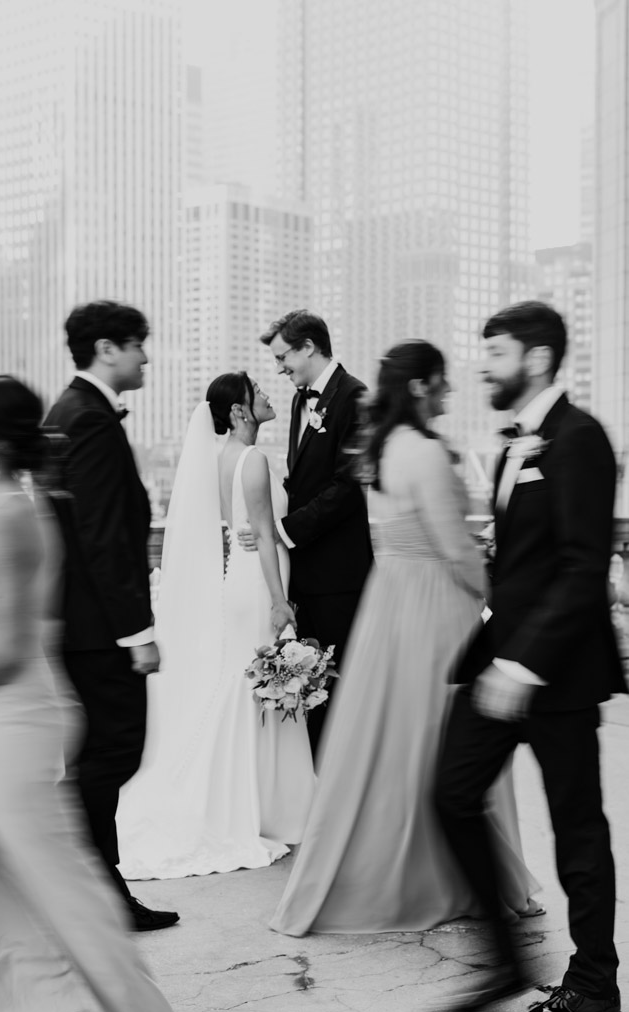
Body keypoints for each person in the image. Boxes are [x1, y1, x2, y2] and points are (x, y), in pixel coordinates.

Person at [270, 342, 540, 937]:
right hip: (435, 605)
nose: (448, 392)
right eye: (441, 383)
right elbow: (456, 550)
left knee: (393, 742)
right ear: (419, 387)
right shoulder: (423, 453)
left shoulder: (380, 449)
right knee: (453, 740)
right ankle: (464, 877)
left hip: (389, 604)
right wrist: (491, 600)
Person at [0, 375, 180, 1012]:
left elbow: (15, 647)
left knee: (66, 896)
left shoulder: (18, 516)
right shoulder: (1, 511)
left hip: (16, 728)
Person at [434, 301, 625, 1012]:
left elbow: (582, 569)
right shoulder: (518, 441)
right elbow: (529, 560)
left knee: (576, 828)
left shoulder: (579, 439)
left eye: (496, 352)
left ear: (537, 359)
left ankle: (593, 989)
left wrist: (521, 667)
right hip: (498, 665)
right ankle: (505, 963)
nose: (484, 365)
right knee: (449, 794)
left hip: (556, 674)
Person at [117, 373, 315, 879]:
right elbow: (266, 536)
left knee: (248, 684)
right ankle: (255, 804)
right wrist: (279, 601)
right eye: (258, 395)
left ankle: (259, 799)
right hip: (256, 584)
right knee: (252, 686)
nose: (269, 397)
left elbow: (242, 529)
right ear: (238, 412)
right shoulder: (251, 460)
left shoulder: (219, 457)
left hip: (238, 574)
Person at [44, 300, 179, 930]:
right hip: (101, 630)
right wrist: (138, 632)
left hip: (77, 625)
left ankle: (95, 890)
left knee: (99, 755)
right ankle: (88, 888)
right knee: (114, 753)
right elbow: (102, 538)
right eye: (137, 345)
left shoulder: (66, 414)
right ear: (106, 349)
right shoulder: (90, 421)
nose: (146, 356)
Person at [250, 310, 373, 757]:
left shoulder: (356, 398)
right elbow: (300, 482)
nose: (279, 368)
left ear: (308, 347)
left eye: (284, 356)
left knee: (340, 690)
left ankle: (343, 788)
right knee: (314, 689)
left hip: (340, 574)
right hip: (306, 572)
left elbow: (347, 487)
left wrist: (282, 530)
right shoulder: (303, 400)